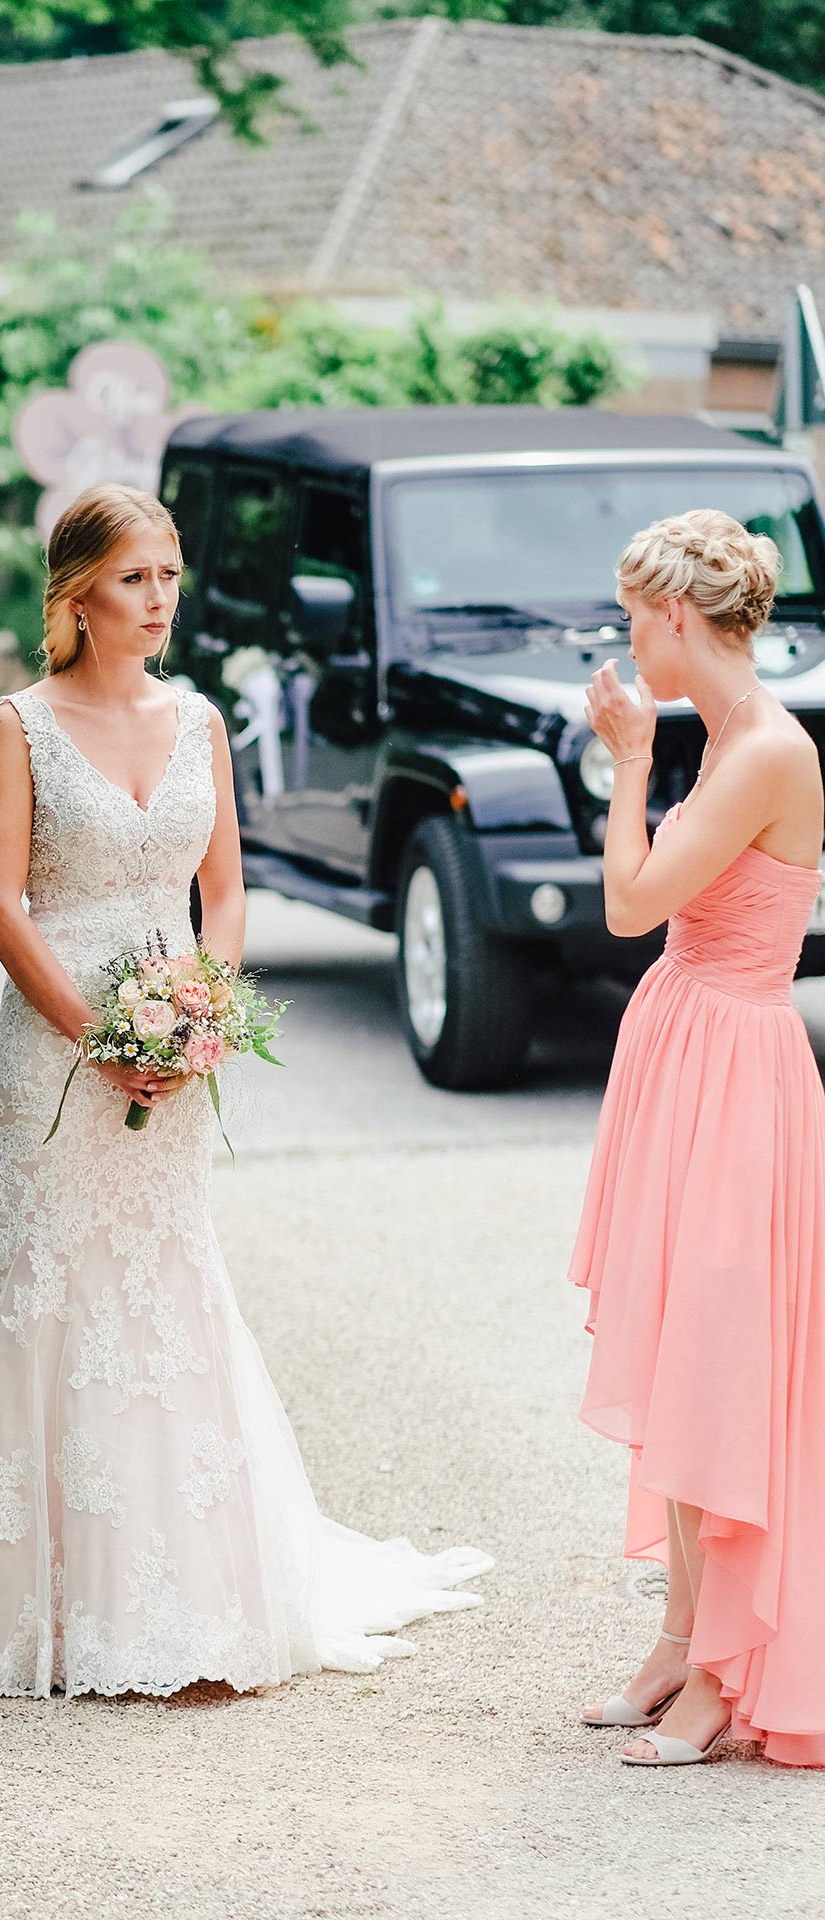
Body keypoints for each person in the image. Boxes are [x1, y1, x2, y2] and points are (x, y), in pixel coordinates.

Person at [0, 482, 491, 1699]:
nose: (159, 599)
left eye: (169, 575)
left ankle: (180, 1593)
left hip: (171, 1045)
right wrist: (93, 1039)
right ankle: (30, 1601)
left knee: (162, 1280)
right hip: (52, 1055)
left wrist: (203, 1016)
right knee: (43, 1276)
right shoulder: (17, 724)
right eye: (134, 578)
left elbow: (221, 893)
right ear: (76, 593)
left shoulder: (201, 723)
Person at [571, 508, 825, 1767]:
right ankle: (680, 1639)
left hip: (734, 1071)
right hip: (685, 1054)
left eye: (632, 615)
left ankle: (726, 1677)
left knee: (720, 1366)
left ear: (672, 618)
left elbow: (627, 904)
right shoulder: (727, 730)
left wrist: (626, 760)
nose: (626, 637)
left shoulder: (764, 750)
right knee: (678, 1355)